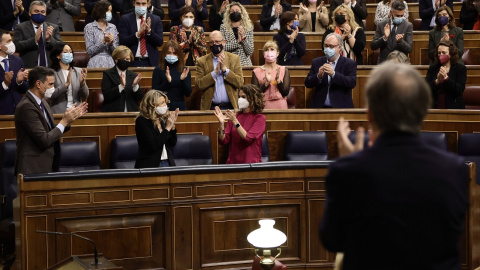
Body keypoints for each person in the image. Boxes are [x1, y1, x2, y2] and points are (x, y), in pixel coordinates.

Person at [319, 61, 468, 269]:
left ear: (370, 114)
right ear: (422, 112)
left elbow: (332, 240)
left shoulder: (348, 170)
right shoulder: (456, 170)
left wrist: (351, 164)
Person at [14, 66, 88, 175]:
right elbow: (44, 140)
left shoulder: (43, 102)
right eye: (50, 84)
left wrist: (69, 120)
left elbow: (52, 130)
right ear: (38, 84)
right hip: (32, 168)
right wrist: (64, 121)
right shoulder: (26, 107)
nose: (53, 88)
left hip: (47, 164)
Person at [215, 84, 266, 164]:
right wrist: (221, 125)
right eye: (239, 97)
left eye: (243, 97)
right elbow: (223, 140)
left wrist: (235, 122)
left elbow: (248, 139)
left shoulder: (259, 118)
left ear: (252, 99)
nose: (240, 100)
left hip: (250, 164)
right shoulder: (236, 115)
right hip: (233, 163)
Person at [305, 33, 356, 108]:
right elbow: (307, 83)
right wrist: (318, 76)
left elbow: (352, 83)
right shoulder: (317, 62)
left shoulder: (349, 63)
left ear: (339, 48)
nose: (328, 49)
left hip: (341, 108)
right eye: (326, 46)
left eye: (331, 46)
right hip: (320, 108)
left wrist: (334, 74)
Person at [195, 31, 243, 110]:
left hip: (230, 107)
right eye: (211, 42)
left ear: (223, 42)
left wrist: (225, 70)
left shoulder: (234, 59)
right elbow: (198, 85)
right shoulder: (202, 61)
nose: (214, 44)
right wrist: (215, 72)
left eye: (217, 41)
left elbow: (240, 83)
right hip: (211, 108)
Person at [135, 90, 179, 168]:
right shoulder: (142, 121)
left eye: (165, 102)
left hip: (167, 163)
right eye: (162, 103)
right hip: (150, 165)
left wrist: (172, 126)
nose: (165, 105)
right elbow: (153, 145)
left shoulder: (162, 119)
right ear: (152, 105)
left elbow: (172, 143)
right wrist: (167, 128)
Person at [13, 1, 62, 68]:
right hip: (30, 69)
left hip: (50, 69)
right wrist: (34, 40)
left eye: (42, 12)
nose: (40, 14)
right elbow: (16, 46)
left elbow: (61, 48)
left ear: (45, 13)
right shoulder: (20, 27)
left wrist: (49, 40)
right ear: (30, 13)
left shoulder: (53, 27)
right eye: (36, 11)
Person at [119, 0, 164, 67]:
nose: (140, 6)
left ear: (148, 4)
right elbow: (122, 41)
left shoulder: (156, 19)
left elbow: (160, 42)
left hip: (150, 61)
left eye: (143, 4)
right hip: (132, 61)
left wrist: (149, 31)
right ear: (133, 3)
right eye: (138, 4)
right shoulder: (125, 19)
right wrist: (138, 34)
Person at [48, 43, 89, 114]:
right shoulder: (51, 73)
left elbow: (85, 95)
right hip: (59, 112)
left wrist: (83, 84)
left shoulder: (78, 71)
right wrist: (65, 85)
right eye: (65, 52)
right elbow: (50, 95)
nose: (69, 54)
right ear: (58, 56)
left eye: (70, 52)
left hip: (77, 111)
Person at [101, 46, 143, 112]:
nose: (125, 61)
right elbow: (107, 96)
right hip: (113, 113)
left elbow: (139, 98)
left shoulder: (134, 75)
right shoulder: (108, 74)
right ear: (116, 59)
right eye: (123, 59)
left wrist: (135, 86)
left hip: (131, 112)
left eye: (127, 59)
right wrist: (121, 86)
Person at [152, 41, 192, 111]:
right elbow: (154, 92)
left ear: (179, 55)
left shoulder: (184, 70)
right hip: (162, 108)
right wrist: (168, 82)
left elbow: (188, 93)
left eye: (175, 53)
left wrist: (183, 80)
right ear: (164, 53)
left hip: (180, 107)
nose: (171, 55)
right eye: (169, 53)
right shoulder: (158, 70)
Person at [426, 40, 466, 109]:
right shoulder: (433, 68)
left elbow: (459, 90)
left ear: (451, 53)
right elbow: (426, 89)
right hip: (435, 107)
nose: (441, 55)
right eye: (439, 53)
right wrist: (437, 81)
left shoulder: (460, 68)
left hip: (454, 108)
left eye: (443, 53)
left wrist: (447, 78)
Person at [251, 41, 290, 109]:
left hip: (280, 105)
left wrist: (278, 81)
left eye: (272, 49)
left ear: (277, 53)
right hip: (264, 105)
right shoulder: (256, 71)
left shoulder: (284, 70)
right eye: (266, 50)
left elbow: (285, 92)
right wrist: (266, 83)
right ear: (263, 54)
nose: (269, 52)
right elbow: (254, 94)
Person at [0, 29, 29, 115]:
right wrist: (5, 84)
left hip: (19, 109)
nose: (12, 44)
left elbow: (25, 88)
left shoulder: (17, 60)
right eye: (8, 41)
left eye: (11, 40)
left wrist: (19, 82)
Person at [84, 1, 119, 68]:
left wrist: (111, 44)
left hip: (110, 62)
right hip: (95, 62)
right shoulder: (89, 27)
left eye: (111, 11)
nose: (110, 13)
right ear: (100, 11)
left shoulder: (113, 27)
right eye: (108, 11)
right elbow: (90, 51)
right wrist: (103, 41)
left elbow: (116, 52)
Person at [220, 2, 254, 66]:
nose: (235, 12)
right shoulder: (223, 27)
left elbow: (250, 51)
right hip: (229, 63)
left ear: (242, 14)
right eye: (232, 11)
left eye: (237, 11)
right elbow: (223, 47)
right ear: (229, 14)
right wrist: (237, 43)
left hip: (245, 63)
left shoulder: (248, 28)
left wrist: (243, 39)